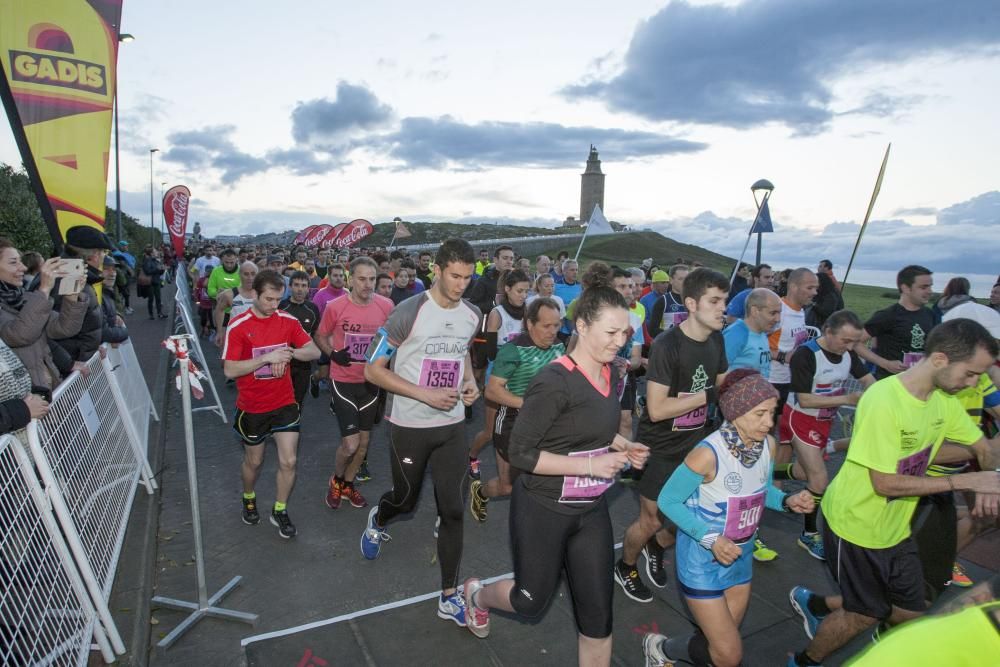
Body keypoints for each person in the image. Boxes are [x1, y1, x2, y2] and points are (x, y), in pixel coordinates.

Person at [787, 318, 1000, 667]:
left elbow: (985, 447)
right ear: (941, 360)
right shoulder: (885, 400)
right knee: (866, 612)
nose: (973, 384)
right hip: (855, 525)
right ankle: (804, 662)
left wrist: (990, 476)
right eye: (971, 374)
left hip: (894, 527)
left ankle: (818, 605)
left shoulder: (943, 400)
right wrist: (967, 481)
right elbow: (883, 483)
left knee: (910, 612)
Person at [460, 280, 649, 667]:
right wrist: (591, 465)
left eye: (624, 332)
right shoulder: (553, 380)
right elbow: (521, 452)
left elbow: (585, 428)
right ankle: (476, 595)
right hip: (543, 507)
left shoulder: (611, 373)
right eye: (611, 332)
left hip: (591, 509)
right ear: (581, 326)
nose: (620, 341)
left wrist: (620, 445)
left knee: (598, 619)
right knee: (529, 600)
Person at [643, 369, 814, 667]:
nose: (768, 423)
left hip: (740, 557)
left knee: (721, 645)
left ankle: (664, 651)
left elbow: (761, 491)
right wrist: (710, 538)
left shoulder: (767, 446)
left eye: (772, 413)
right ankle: (663, 650)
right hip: (703, 561)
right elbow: (668, 501)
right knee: (730, 654)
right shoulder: (708, 454)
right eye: (760, 414)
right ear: (736, 412)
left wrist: (787, 501)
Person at [360, 239, 482, 627]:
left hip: (451, 425)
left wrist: (470, 381)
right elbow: (372, 369)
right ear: (438, 270)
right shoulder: (407, 311)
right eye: (455, 276)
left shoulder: (472, 313)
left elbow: (461, 349)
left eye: (467, 277)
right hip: (409, 424)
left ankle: (449, 595)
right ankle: (380, 518)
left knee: (453, 508)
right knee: (406, 500)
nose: (462, 284)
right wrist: (424, 393)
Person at [617, 268, 730, 603]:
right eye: (715, 301)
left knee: (690, 515)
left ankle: (657, 546)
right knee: (651, 519)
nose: (723, 307)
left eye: (724, 300)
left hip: (698, 443)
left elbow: (723, 382)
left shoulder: (717, 338)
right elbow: (656, 409)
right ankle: (625, 566)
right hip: (661, 447)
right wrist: (708, 395)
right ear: (692, 303)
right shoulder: (669, 345)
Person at [222, 269, 320, 539]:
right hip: (252, 406)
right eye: (268, 299)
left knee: (289, 461)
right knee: (254, 462)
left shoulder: (287, 320)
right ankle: (248, 496)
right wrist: (266, 358)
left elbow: (314, 351)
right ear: (255, 294)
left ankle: (279, 509)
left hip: (284, 402)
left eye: (278, 299)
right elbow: (229, 370)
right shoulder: (239, 325)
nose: (274, 306)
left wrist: (288, 353)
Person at [779, 310, 875, 560]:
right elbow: (805, 399)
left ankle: (763, 474)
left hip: (824, 420)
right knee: (819, 479)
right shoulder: (806, 354)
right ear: (828, 331)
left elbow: (868, 380)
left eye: (854, 341)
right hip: (800, 417)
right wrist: (848, 398)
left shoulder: (848, 353)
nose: (850, 346)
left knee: (802, 473)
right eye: (845, 340)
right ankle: (809, 534)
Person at [469, 297, 565, 521]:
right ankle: (480, 492)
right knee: (507, 487)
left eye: (557, 325)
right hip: (513, 423)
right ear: (530, 324)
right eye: (546, 326)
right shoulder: (513, 350)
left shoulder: (559, 347)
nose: (553, 331)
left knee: (548, 478)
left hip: (547, 424)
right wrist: (530, 405)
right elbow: (492, 391)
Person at [315, 257, 393, 510]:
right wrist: (332, 353)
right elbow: (320, 335)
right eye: (361, 279)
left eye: (372, 279)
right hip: (343, 381)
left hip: (371, 381)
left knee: (363, 445)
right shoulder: (335, 307)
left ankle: (347, 485)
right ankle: (336, 481)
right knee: (350, 444)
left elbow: (392, 338)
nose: (367, 284)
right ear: (350, 279)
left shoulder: (386, 305)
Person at [468, 269, 530, 480]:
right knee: (490, 431)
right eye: (519, 291)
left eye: (526, 291)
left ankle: (515, 467)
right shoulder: (497, 314)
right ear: (507, 289)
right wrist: (514, 350)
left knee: (519, 428)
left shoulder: (529, 312)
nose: (523, 295)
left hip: (521, 378)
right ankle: (472, 457)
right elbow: (491, 352)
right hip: (498, 378)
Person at [0, 239, 86, 389]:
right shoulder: (32, 299)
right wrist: (44, 289)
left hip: (46, 389)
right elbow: (19, 335)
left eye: (21, 261)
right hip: (25, 401)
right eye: (14, 263)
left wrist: (72, 295)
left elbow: (64, 328)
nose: (24, 267)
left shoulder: (23, 298)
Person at [856, 264, 935, 379]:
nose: (930, 291)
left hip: (918, 382)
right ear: (906, 288)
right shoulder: (887, 315)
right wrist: (884, 363)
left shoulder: (929, 314)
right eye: (923, 287)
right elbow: (856, 343)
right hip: (890, 382)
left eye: (930, 287)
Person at [278, 271, 321, 407]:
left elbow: (315, 335)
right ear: (289, 287)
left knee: (298, 400)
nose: (300, 289)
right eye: (296, 285)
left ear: (308, 288)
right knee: (281, 400)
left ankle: (294, 427)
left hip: (304, 364)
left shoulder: (312, 308)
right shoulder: (280, 307)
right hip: (282, 362)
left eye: (303, 285)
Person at [214, 262, 259, 349]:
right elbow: (219, 310)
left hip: (258, 336)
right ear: (239, 275)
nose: (250, 278)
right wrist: (219, 332)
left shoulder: (263, 293)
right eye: (246, 274)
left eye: (253, 274)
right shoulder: (230, 294)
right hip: (236, 337)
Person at [648, 264, 690, 338]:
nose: (685, 282)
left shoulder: (693, 301)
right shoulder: (663, 301)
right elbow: (652, 330)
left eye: (687, 279)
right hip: (670, 347)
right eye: (680, 279)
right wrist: (673, 336)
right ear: (671, 280)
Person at [100, 256, 128, 345]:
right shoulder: (94, 294)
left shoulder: (108, 292)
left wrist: (116, 314)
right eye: (106, 269)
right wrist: (124, 332)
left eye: (114, 269)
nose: (112, 273)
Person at [141, 247, 166, 319]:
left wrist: (162, 270)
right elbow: (147, 271)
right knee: (151, 299)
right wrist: (157, 269)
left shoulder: (156, 261)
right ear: (151, 253)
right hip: (150, 283)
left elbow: (159, 273)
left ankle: (160, 313)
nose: (157, 252)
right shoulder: (147, 261)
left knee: (158, 298)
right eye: (155, 251)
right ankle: (151, 314)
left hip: (157, 281)